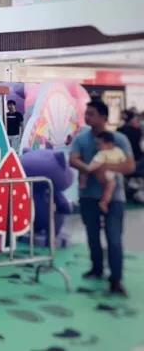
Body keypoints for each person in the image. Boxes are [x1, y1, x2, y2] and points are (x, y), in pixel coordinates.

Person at [70, 100, 135, 296]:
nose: (87, 117)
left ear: (103, 117)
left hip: (114, 197)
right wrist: (88, 169)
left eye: (91, 114)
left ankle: (116, 279)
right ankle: (96, 268)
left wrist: (105, 167)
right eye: (86, 113)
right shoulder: (81, 139)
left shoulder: (119, 139)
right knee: (92, 235)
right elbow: (73, 159)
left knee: (114, 238)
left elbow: (129, 166)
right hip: (88, 196)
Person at [84, 131, 126, 214]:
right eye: (96, 144)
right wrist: (89, 169)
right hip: (106, 172)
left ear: (109, 144)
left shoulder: (118, 151)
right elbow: (96, 163)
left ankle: (105, 201)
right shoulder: (102, 153)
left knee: (111, 186)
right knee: (111, 185)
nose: (97, 147)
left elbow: (124, 162)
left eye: (99, 144)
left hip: (114, 171)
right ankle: (104, 201)